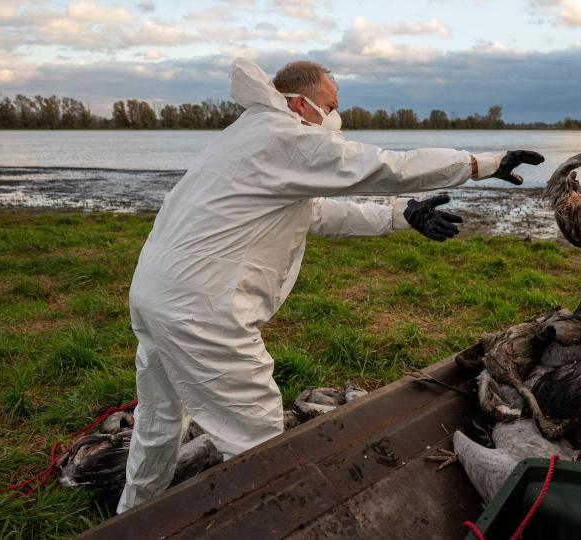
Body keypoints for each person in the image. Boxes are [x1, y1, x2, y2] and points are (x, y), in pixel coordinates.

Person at [117, 57, 544, 513]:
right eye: (331, 104)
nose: (336, 116)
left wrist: (403, 215)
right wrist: (481, 163)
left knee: (159, 417)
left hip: (154, 295)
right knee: (256, 439)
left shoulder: (250, 135)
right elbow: (386, 167)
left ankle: (131, 514)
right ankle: (268, 520)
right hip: (202, 308)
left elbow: (315, 212)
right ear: (301, 103)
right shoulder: (283, 137)